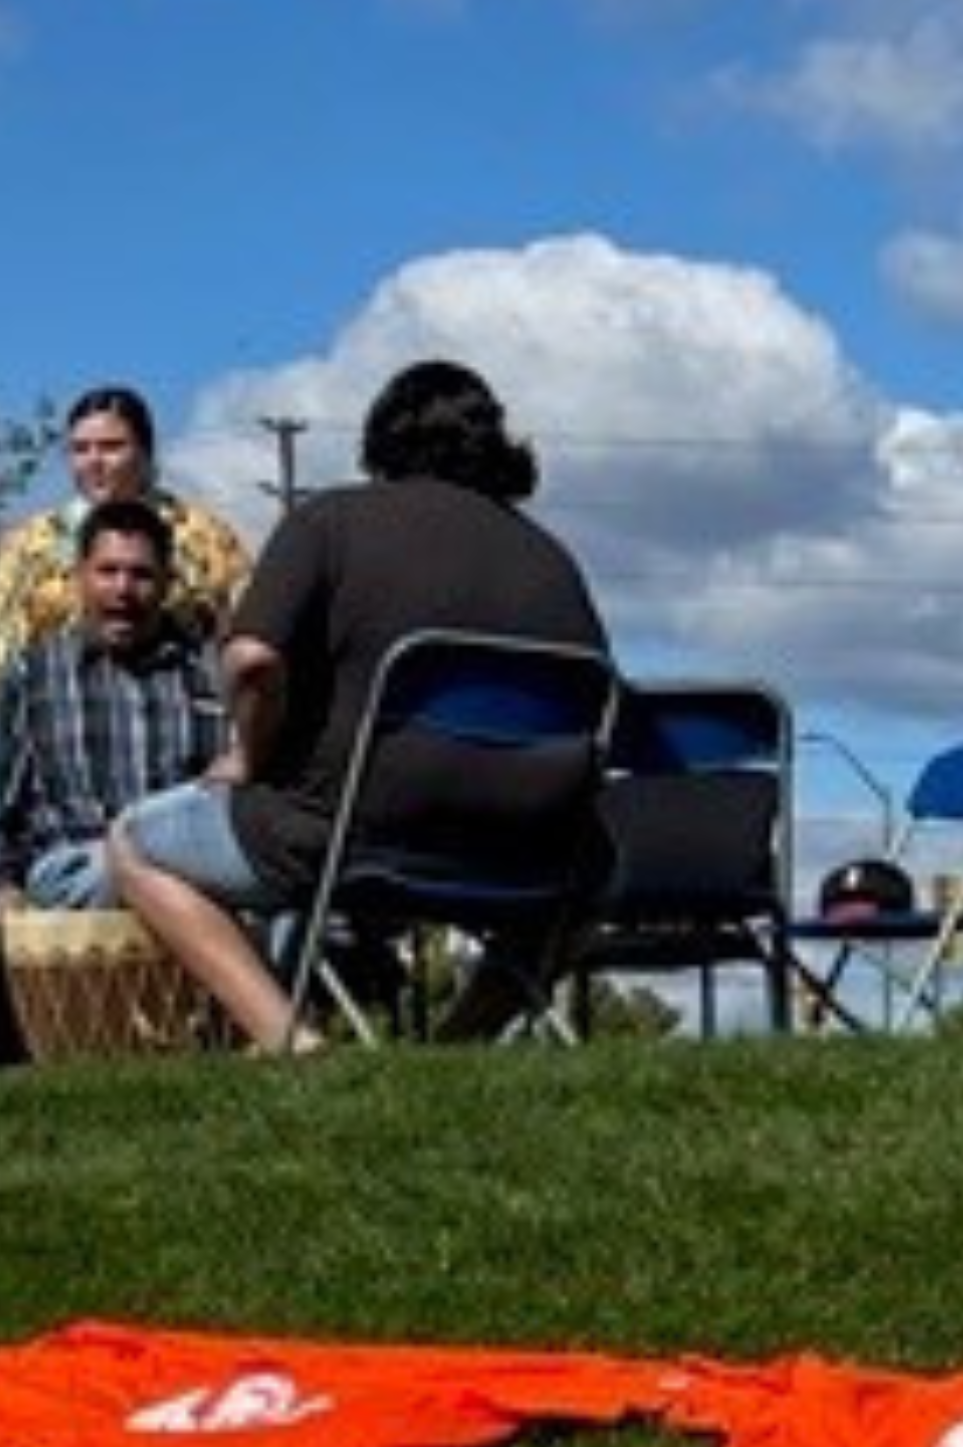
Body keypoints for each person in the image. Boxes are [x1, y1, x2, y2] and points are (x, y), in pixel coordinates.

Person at [107, 359, 611, 1051]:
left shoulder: (332, 522)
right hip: (526, 851)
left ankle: (288, 1039)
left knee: (134, 843)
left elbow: (252, 660)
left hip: (348, 835)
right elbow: (600, 706)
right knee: (587, 887)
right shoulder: (553, 561)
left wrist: (248, 759)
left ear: (381, 439)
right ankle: (457, 1049)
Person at [0, 384, 253, 779]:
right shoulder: (33, 543)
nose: (94, 461)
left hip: (176, 727)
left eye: (111, 446)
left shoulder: (205, 538)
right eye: (81, 449)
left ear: (145, 452)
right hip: (62, 729)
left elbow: (246, 639)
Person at [0, 495, 225, 908]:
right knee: (128, 873)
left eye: (141, 575)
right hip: (77, 867)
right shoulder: (32, 676)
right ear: (79, 576)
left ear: (167, 583)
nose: (123, 589)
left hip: (192, 864)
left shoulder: (207, 675)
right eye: (108, 572)